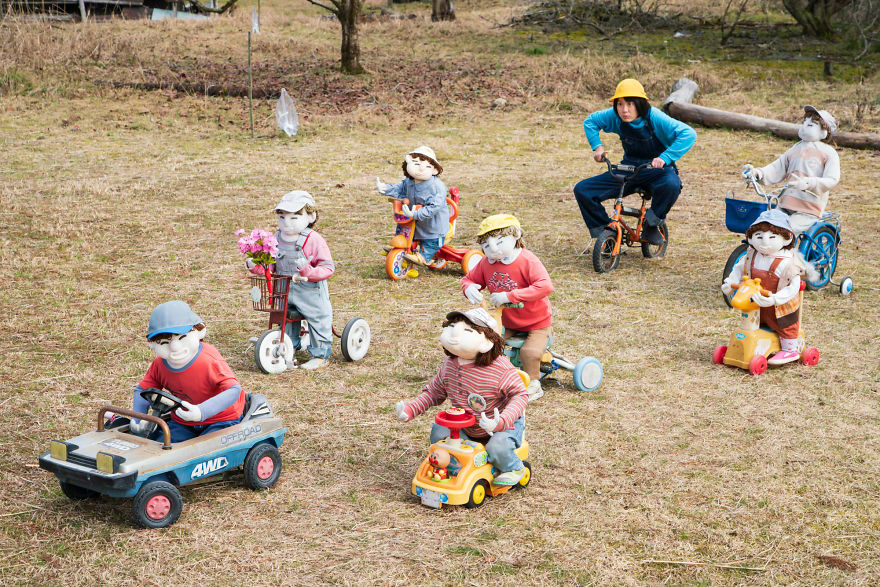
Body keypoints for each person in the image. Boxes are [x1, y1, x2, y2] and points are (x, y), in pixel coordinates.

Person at [394, 308, 529, 486]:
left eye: (467, 330)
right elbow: (434, 392)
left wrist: (502, 421)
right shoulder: (450, 364)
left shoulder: (500, 368)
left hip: (501, 427)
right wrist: (411, 409)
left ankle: (514, 468)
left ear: (486, 342)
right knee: (439, 433)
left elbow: (520, 394)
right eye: (451, 326)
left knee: (497, 447)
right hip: (466, 427)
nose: (454, 334)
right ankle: (455, 466)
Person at [573, 78, 696, 246]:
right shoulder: (615, 116)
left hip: (657, 171)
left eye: (630, 104)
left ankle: (651, 224)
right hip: (629, 169)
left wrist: (664, 158)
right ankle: (607, 234)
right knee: (583, 190)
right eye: (620, 104)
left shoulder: (655, 117)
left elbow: (689, 134)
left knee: (672, 184)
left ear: (640, 104)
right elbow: (591, 122)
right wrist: (598, 148)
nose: (624, 110)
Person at [461, 214, 552, 402]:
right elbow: (469, 279)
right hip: (506, 321)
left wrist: (510, 296)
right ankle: (486, 376)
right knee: (487, 342)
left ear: (515, 235)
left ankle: (533, 383)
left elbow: (545, 286)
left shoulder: (527, 261)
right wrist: (468, 288)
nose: (493, 249)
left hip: (536, 321)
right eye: (486, 245)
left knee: (529, 352)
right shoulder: (486, 263)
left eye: (500, 241)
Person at [129, 301, 246, 442]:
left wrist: (202, 411)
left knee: (206, 447)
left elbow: (234, 390)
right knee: (163, 444)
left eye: (182, 337)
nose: (175, 347)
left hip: (221, 418)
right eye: (164, 343)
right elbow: (142, 390)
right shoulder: (159, 365)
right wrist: (138, 419)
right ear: (153, 344)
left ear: (199, 331)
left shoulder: (208, 361)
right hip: (183, 420)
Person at [249, 190, 335, 369]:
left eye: (294, 218)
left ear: (311, 217)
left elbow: (328, 267)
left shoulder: (314, 240)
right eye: (282, 217)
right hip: (283, 288)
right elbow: (271, 266)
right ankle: (289, 346)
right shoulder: (276, 238)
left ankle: (320, 354)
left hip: (309, 291)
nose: (286, 223)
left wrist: (309, 272)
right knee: (285, 318)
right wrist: (256, 265)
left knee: (318, 318)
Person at [721, 209, 814, 365]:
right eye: (759, 236)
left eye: (772, 237)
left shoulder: (788, 262)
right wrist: (730, 282)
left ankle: (790, 349)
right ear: (751, 238)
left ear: (786, 238)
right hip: (757, 303)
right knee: (752, 321)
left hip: (780, 305)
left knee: (786, 324)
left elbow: (793, 287)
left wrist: (775, 299)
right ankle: (744, 349)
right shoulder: (751, 255)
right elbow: (739, 268)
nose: (765, 242)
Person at [742, 105, 840, 233]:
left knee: (784, 232)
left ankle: (790, 246)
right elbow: (777, 167)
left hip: (808, 209)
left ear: (824, 132)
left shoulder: (829, 153)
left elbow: (832, 179)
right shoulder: (795, 148)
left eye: (812, 124)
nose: (806, 126)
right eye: (805, 122)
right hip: (785, 204)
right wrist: (758, 173)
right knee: (765, 226)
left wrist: (809, 183)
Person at [376, 146, 449, 266]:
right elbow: (400, 189)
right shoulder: (409, 181)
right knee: (406, 232)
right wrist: (385, 189)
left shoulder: (437, 187)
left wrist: (416, 214)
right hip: (413, 221)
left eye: (427, 166)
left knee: (432, 242)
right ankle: (401, 248)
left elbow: (435, 207)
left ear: (434, 170)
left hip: (433, 226)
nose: (421, 169)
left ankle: (424, 256)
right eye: (416, 163)